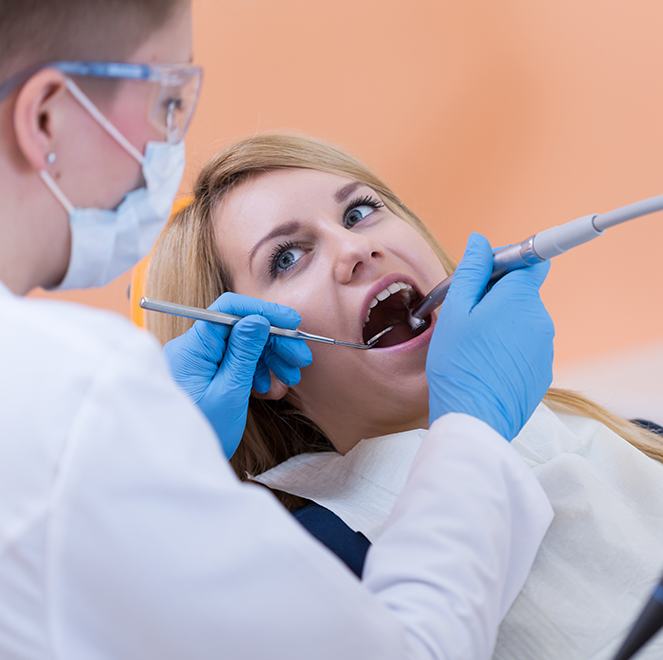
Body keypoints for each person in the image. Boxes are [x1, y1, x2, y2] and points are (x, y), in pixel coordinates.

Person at [0, 1, 554, 657]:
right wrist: (476, 427)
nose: (353, 252)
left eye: (360, 210)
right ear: (46, 117)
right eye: (168, 104)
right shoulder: (77, 393)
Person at [146, 133, 663, 659]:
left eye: (359, 211)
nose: (354, 249)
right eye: (287, 258)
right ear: (257, 357)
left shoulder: (633, 438)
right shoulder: (311, 563)